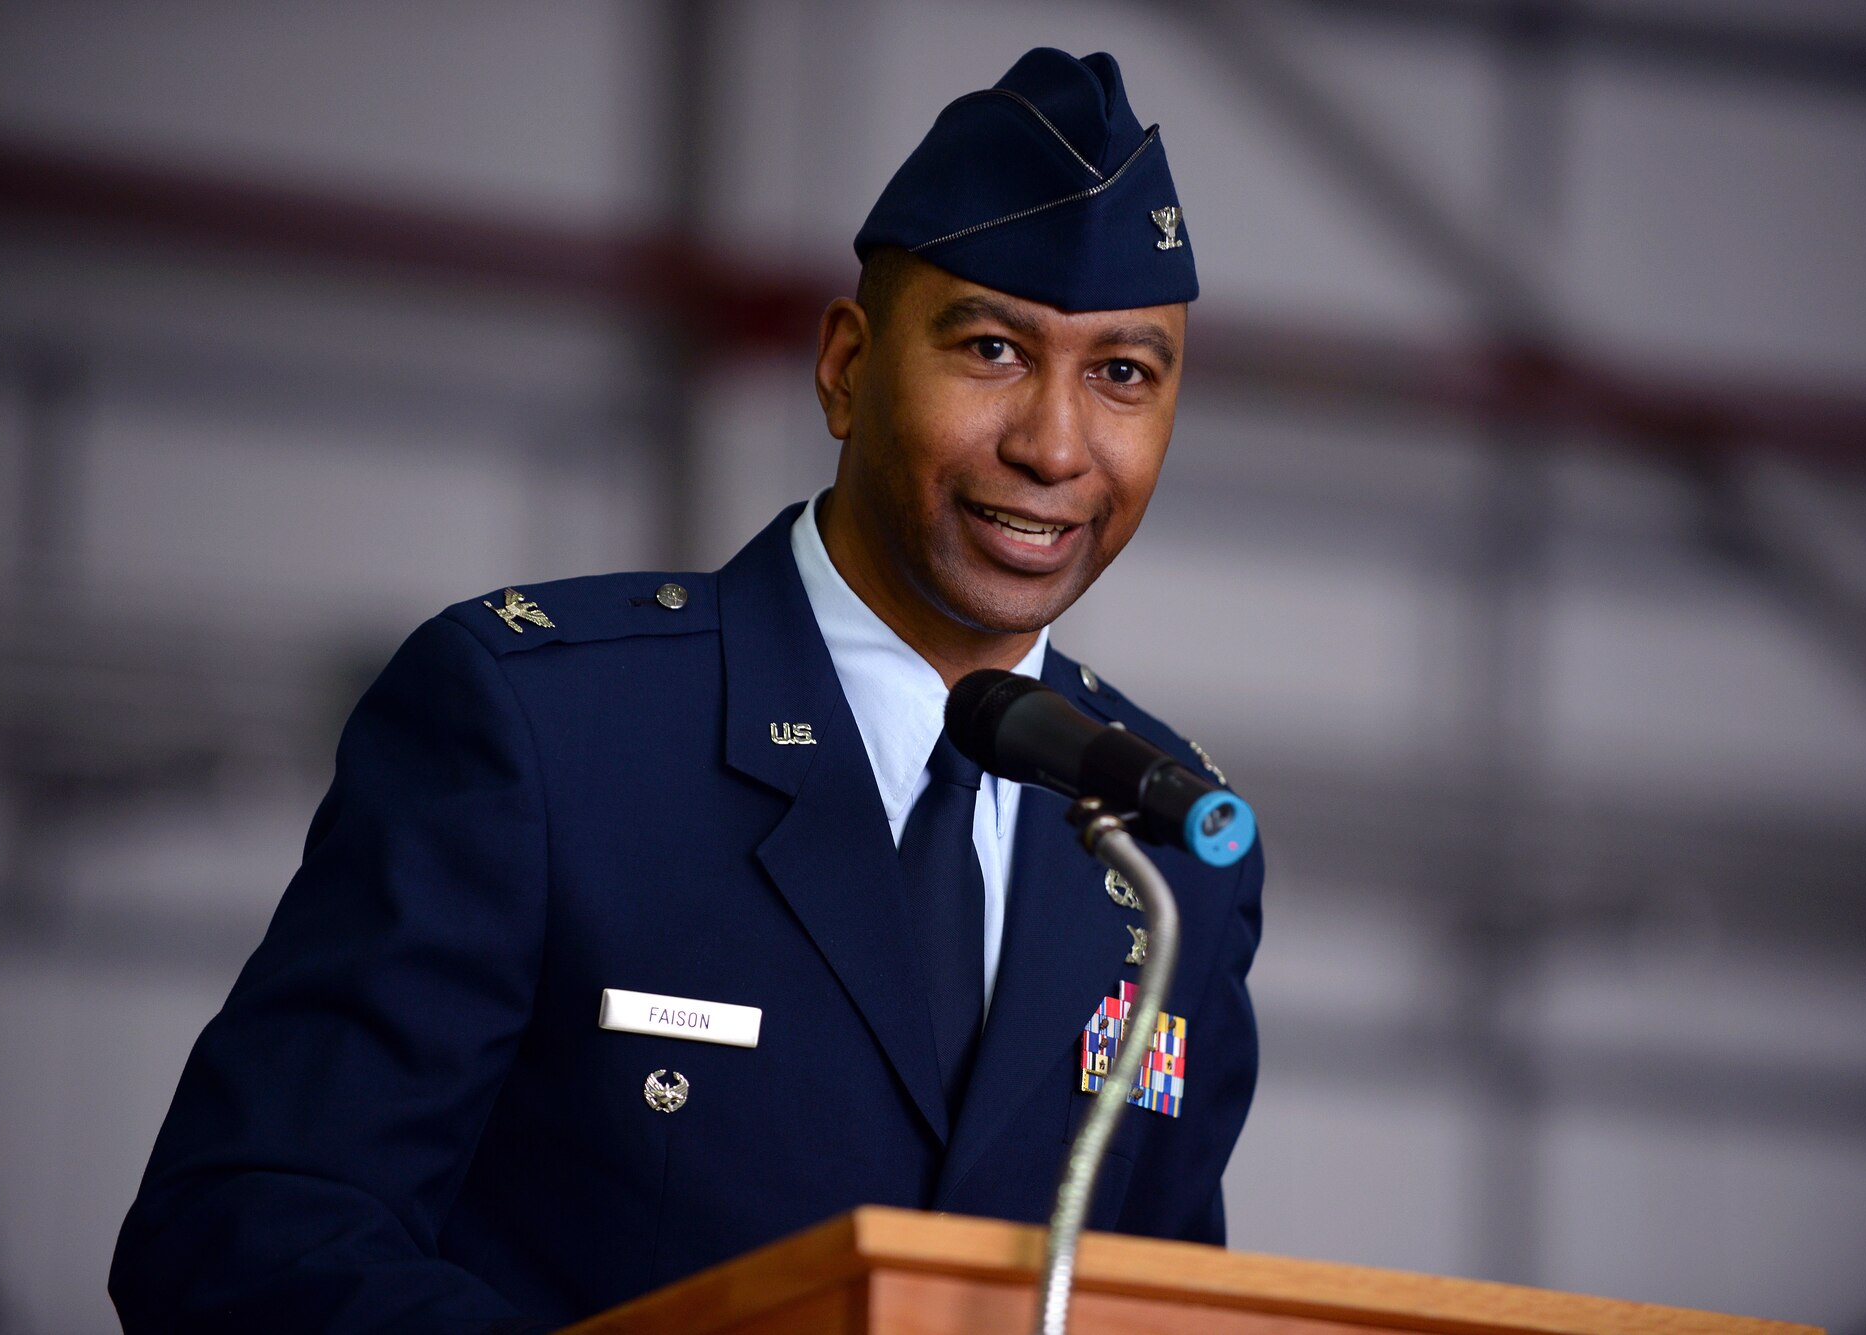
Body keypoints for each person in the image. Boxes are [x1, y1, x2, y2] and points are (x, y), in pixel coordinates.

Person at [111, 47, 1263, 1334]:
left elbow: (1162, 1308)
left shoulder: (1169, 860)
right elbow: (243, 1234)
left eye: (1122, 374)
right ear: (842, 364)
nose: (1053, 444)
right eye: (991, 348)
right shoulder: (545, 729)